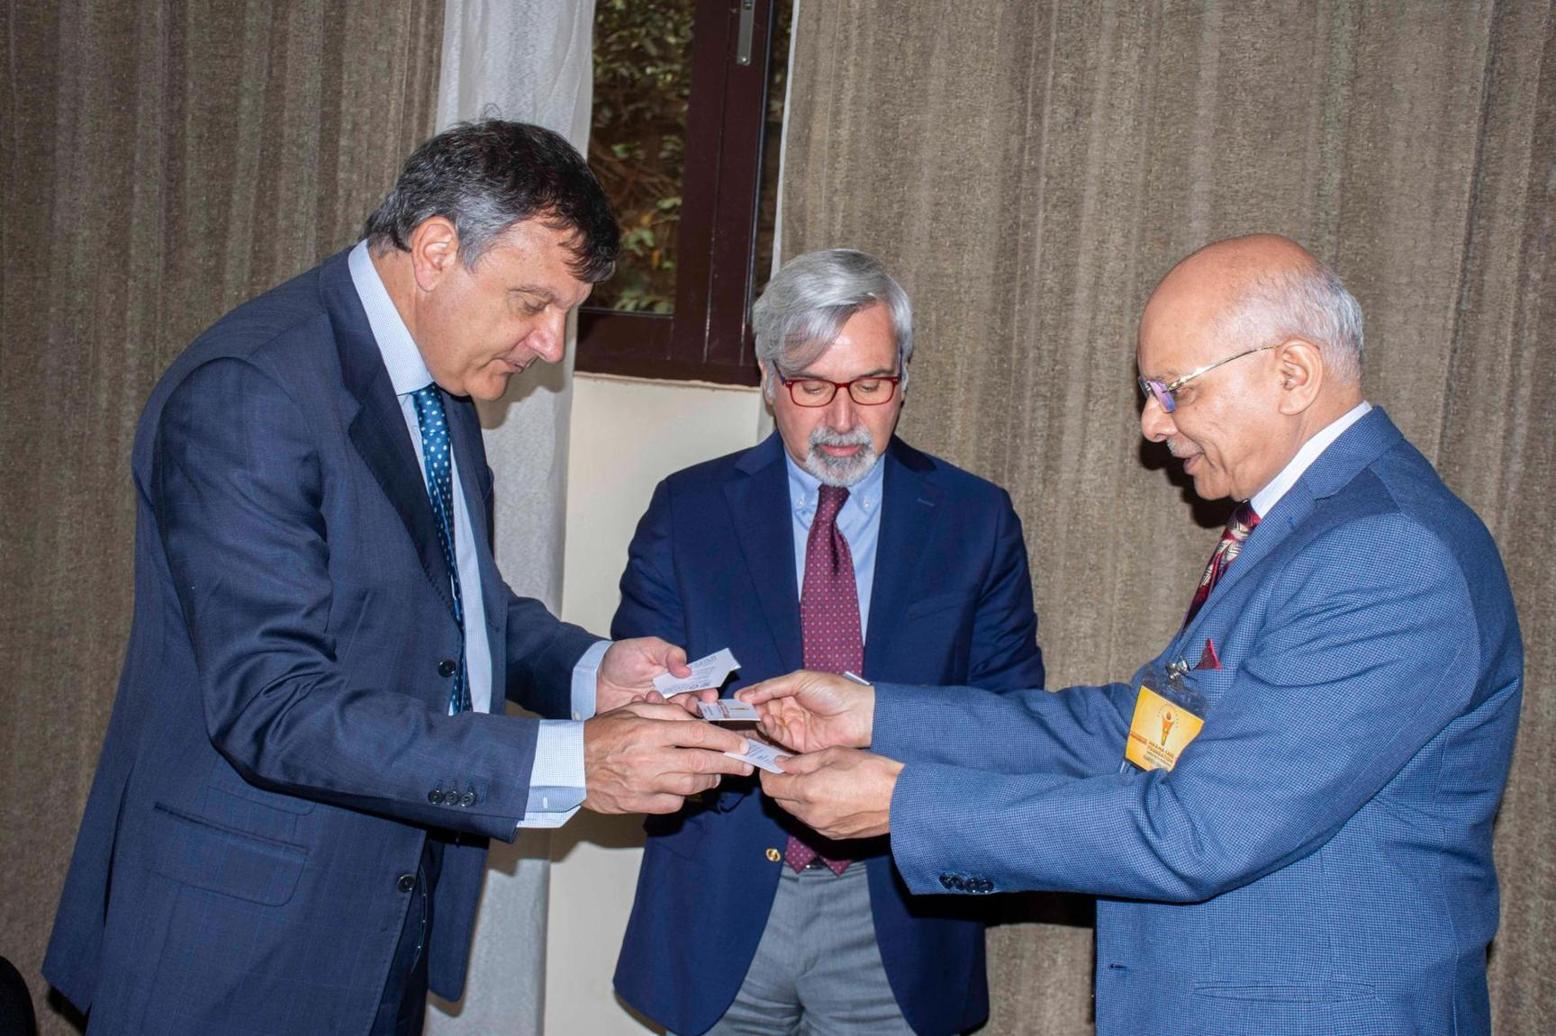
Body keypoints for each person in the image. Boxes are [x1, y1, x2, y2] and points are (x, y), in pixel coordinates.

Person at [43, 120, 750, 1036]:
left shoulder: (435, 374)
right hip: (238, 937)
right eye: (534, 303)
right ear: (436, 250)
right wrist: (569, 761)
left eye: (567, 313)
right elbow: (275, 707)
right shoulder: (250, 391)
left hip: (382, 908)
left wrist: (586, 675)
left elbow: (451, 601)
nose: (550, 344)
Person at [742, 235, 1523, 1036]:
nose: (1152, 424)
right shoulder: (1309, 526)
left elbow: (1199, 831)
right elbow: (1139, 729)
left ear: (1292, 373)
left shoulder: (1388, 553)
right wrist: (875, 714)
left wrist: (905, 802)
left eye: (1173, 390)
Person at [611, 249, 1046, 1035]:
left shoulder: (975, 521)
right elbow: (638, 709)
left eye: (870, 385)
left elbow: (1010, 722)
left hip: (899, 914)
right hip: (722, 908)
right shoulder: (688, 512)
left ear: (904, 380)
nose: (843, 420)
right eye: (813, 386)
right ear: (768, 380)